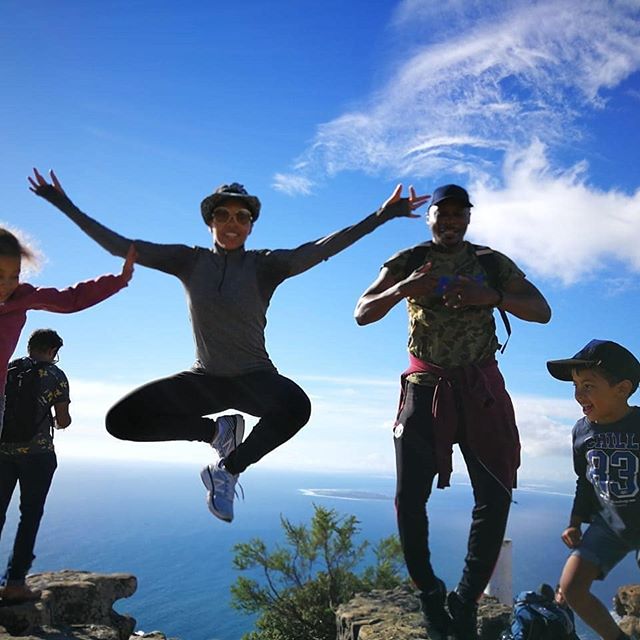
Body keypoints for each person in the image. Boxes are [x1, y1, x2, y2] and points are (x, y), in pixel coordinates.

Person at [29, 168, 430, 524]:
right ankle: (217, 430)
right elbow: (121, 246)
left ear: (251, 225)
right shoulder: (188, 261)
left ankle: (229, 468)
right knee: (121, 421)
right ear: (210, 222)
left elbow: (325, 248)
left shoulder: (266, 265)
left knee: (297, 407)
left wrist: (383, 215)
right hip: (205, 379)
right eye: (223, 215)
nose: (232, 222)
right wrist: (64, 204)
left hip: (255, 378)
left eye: (242, 216)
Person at [354, 183, 551, 640]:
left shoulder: (490, 263)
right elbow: (362, 312)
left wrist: (492, 298)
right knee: (409, 499)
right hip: (425, 390)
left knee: (496, 494)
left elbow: (541, 310)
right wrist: (407, 287)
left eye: (459, 213)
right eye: (442, 213)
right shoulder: (406, 259)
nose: (450, 221)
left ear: (468, 218)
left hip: (480, 390)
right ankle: (429, 593)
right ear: (431, 218)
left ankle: (464, 600)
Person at [547, 339, 640, 640]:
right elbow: (584, 481)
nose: (577, 395)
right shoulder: (582, 431)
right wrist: (574, 522)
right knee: (571, 588)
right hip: (610, 523)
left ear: (622, 389)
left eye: (588, 385)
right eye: (575, 385)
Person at [0, 225, 136, 430]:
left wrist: (119, 280)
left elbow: (70, 299)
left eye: (14, 276)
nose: (7, 284)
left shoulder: (22, 296)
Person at [0, 330, 71, 602]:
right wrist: (55, 419)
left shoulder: (8, 369)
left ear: (30, 346)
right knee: (29, 516)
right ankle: (15, 583)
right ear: (53, 351)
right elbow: (63, 420)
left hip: (2, 452)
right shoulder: (55, 375)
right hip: (38, 455)